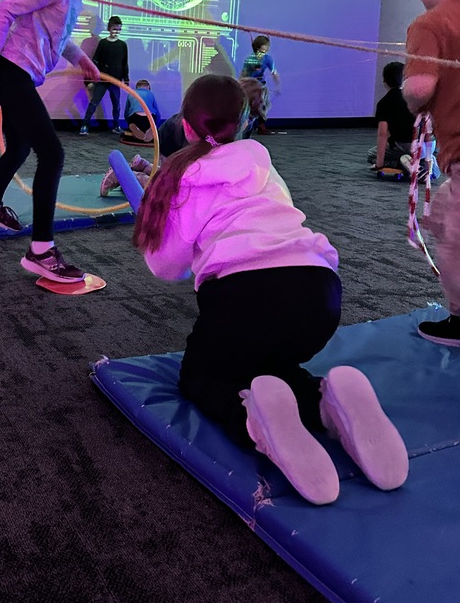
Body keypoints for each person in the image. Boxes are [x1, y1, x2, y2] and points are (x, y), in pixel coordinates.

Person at [131, 74, 408, 505]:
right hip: (318, 292)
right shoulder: (261, 163)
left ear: (184, 126)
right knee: (270, 362)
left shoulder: (183, 176)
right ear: (244, 123)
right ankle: (324, 401)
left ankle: (253, 420)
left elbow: (168, 267)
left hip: (246, 296)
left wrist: (154, 219)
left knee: (202, 375)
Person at [0, 0, 119, 283]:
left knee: (20, 147)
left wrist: (80, 59)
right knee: (52, 154)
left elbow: (58, 38)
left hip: (22, 75)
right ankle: (41, 250)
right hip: (11, 72)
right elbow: (4, 11)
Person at [402, 0, 460, 345]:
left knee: (455, 240)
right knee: (442, 213)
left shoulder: (431, 22)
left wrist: (411, 97)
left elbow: (420, 89)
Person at [367, 61, 438, 179]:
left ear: (384, 80)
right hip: (427, 143)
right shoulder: (417, 96)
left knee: (371, 155)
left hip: (405, 145)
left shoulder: (384, 103)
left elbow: (383, 134)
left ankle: (404, 162)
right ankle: (425, 164)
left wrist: (380, 164)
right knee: (431, 164)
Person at [79, 15, 129, 134]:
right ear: (109, 29)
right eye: (114, 29)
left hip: (115, 80)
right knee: (94, 102)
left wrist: (126, 79)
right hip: (102, 80)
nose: (116, 32)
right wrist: (90, 81)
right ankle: (85, 125)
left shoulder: (122, 45)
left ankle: (116, 126)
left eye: (119, 30)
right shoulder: (103, 43)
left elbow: (124, 63)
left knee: (116, 104)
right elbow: (95, 62)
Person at [240, 35, 280, 133]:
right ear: (259, 46)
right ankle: (245, 127)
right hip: (249, 87)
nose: (268, 47)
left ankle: (261, 126)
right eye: (266, 45)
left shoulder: (268, 59)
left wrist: (277, 85)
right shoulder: (249, 59)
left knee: (262, 106)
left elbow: (274, 73)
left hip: (260, 86)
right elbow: (244, 74)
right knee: (248, 108)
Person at [123, 78, 162, 142]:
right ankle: (151, 128)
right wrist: (155, 124)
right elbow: (157, 112)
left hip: (135, 117)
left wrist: (129, 122)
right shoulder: (150, 94)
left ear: (137, 87)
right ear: (148, 87)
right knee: (151, 121)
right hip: (149, 118)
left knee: (131, 127)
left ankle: (135, 128)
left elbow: (126, 112)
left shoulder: (131, 93)